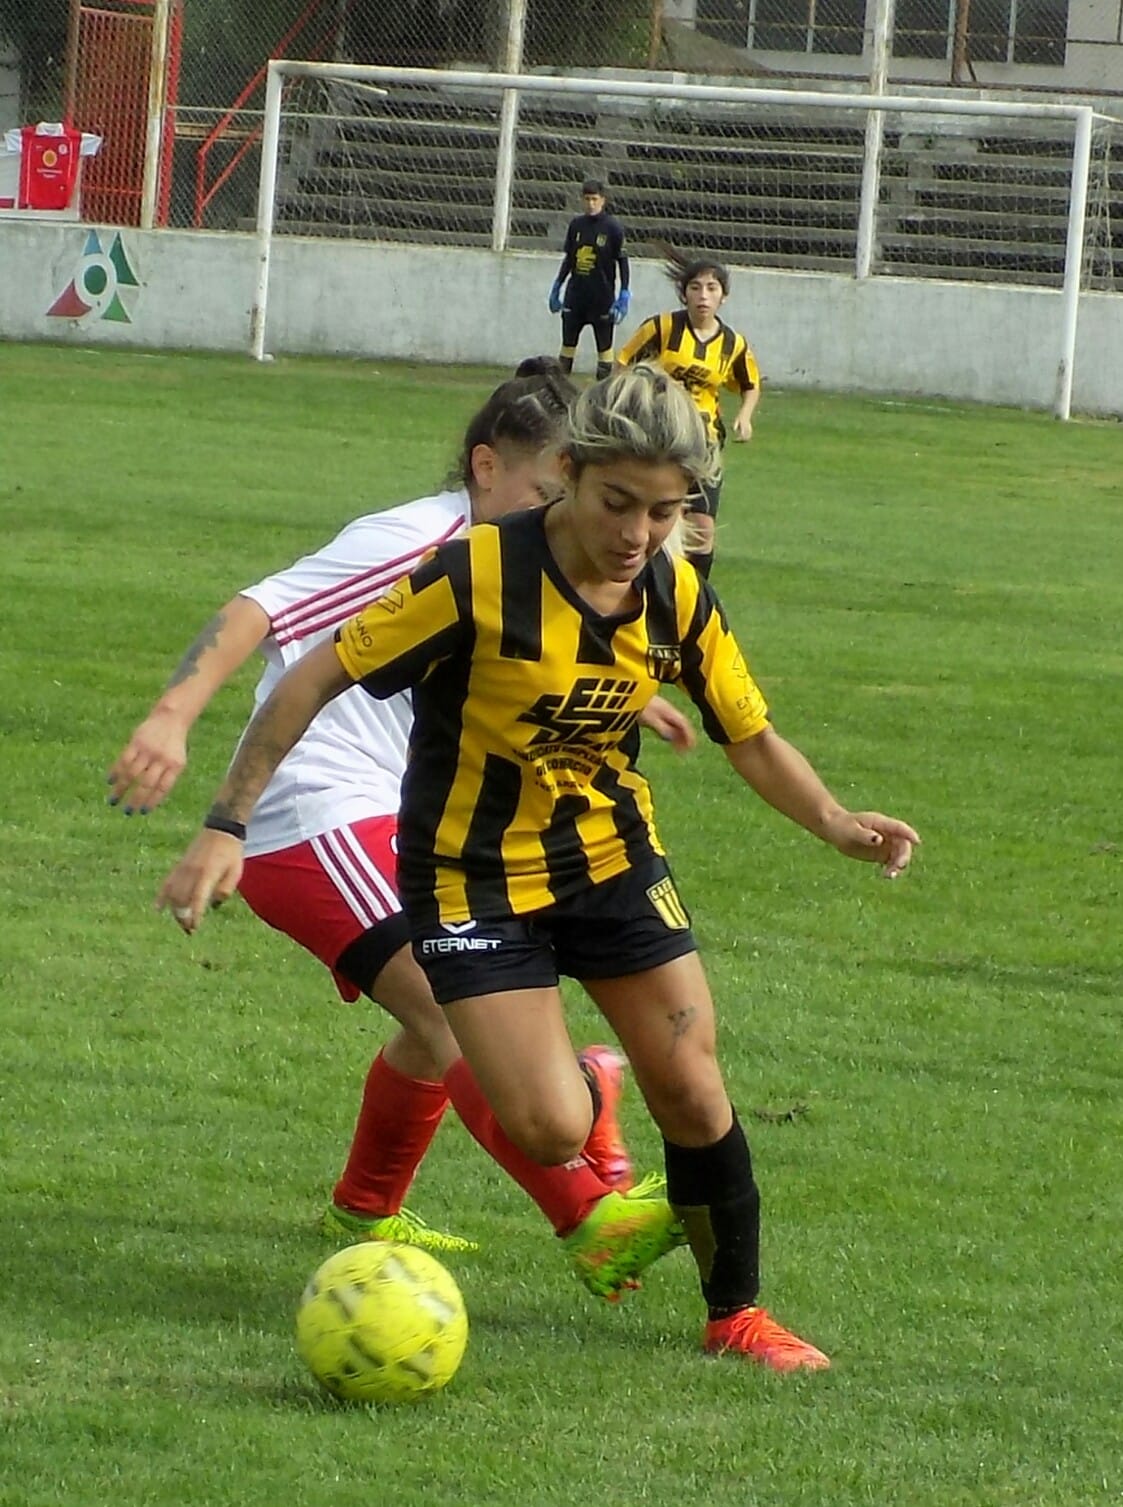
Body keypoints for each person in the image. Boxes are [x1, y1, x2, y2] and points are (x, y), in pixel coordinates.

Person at [157, 365, 920, 1372]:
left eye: (665, 511)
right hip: (471, 878)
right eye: (617, 503)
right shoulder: (473, 574)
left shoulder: (675, 592)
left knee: (692, 1086)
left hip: (607, 859)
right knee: (550, 1129)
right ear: (565, 472)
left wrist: (833, 819)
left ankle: (735, 1314)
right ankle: (576, 1090)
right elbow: (314, 674)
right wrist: (227, 822)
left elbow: (749, 733)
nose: (637, 533)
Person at [109, 362, 693, 1300]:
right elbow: (260, 610)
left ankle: (365, 1204)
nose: (572, 518)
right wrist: (176, 721)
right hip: (314, 812)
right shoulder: (415, 538)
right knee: (448, 1002)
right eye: (552, 491)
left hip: (404, 816)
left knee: (439, 1018)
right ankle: (589, 1217)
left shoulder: (522, 566)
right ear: (484, 467)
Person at [617, 248, 760, 578]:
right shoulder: (662, 328)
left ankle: (695, 594)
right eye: (695, 287)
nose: (703, 296)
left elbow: (750, 383)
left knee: (703, 528)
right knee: (663, 517)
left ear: (724, 296)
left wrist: (745, 415)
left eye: (712, 288)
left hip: (705, 442)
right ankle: (653, 585)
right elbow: (623, 365)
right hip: (660, 439)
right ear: (684, 294)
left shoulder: (733, 344)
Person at [548, 178, 630, 381]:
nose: (590, 204)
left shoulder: (613, 228)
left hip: (601, 298)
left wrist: (624, 293)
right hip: (575, 296)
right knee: (567, 345)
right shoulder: (576, 225)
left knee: (604, 347)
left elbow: (623, 261)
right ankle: (560, 390)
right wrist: (557, 285)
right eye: (587, 199)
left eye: (594, 199)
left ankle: (603, 393)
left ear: (603, 200)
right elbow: (570, 258)